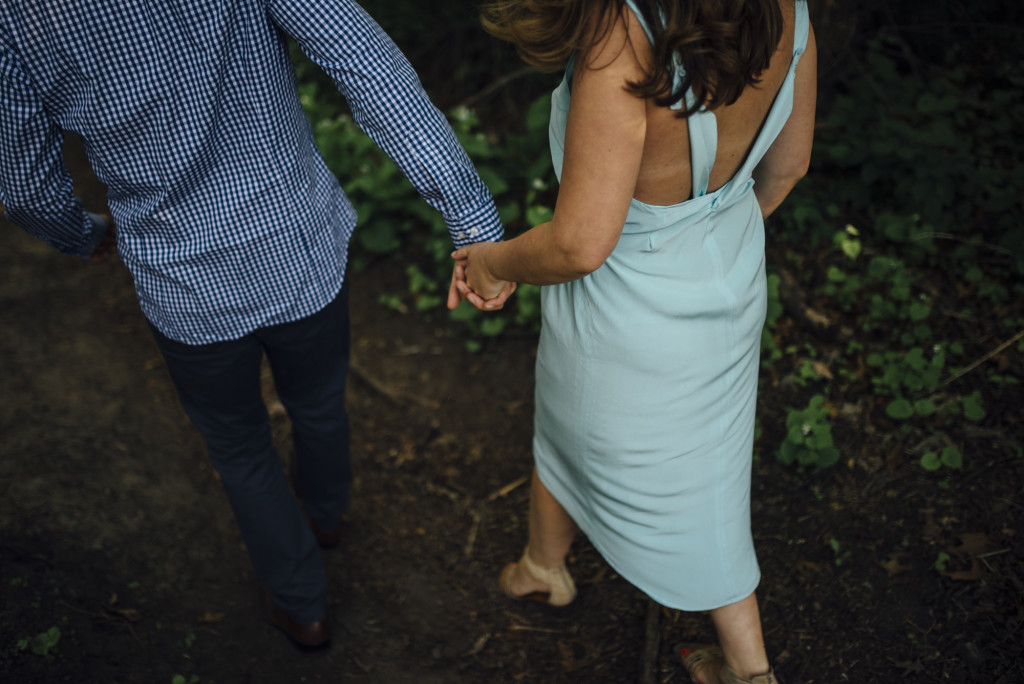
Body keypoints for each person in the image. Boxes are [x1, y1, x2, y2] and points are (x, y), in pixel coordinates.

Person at [0, 0, 512, 649]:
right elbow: (368, 66)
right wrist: (471, 221)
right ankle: (327, 517)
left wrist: (82, 236)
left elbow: (26, 190)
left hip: (185, 287)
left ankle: (303, 606)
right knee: (320, 400)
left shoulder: (16, 16)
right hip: (298, 245)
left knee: (240, 448)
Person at [451, 1, 816, 682]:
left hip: (624, 308)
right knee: (704, 465)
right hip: (730, 276)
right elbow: (788, 166)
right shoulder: (787, 9)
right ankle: (543, 565)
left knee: (640, 469)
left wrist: (493, 264)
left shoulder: (621, 38)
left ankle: (751, 673)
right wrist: (703, 237)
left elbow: (581, 243)